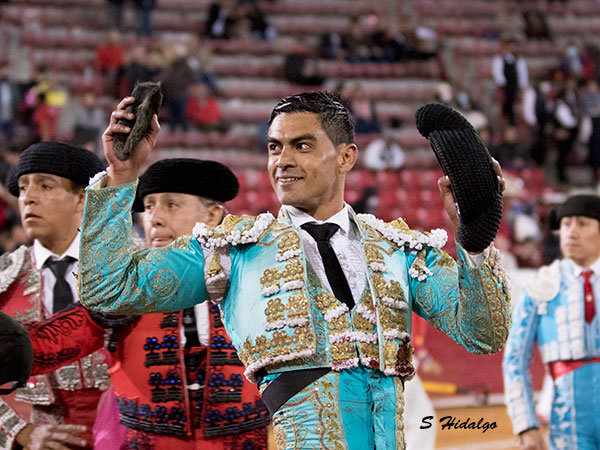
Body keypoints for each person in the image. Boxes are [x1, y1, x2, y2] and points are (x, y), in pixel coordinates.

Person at [79, 91, 511, 449]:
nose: (282, 160)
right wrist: (121, 178)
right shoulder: (231, 250)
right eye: (274, 147)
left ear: (346, 157)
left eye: (301, 145)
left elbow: (483, 332)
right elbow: (108, 288)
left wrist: (473, 245)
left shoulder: (399, 249)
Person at [0, 142, 107, 449]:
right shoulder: (4, 277)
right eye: (21, 189)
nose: (27, 198)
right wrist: (19, 432)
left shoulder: (131, 271)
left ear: (82, 199)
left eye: (45, 186)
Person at [503, 194, 600, 450]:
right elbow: (515, 359)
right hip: (569, 418)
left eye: (582, 224)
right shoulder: (542, 284)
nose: (571, 232)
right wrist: (526, 425)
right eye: (566, 224)